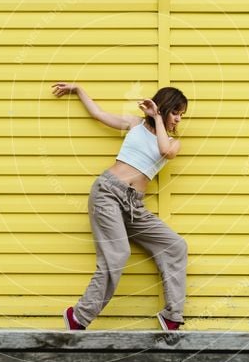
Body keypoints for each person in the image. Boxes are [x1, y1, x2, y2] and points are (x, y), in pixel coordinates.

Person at [50, 82, 189, 331]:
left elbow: (166, 151)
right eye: (176, 112)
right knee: (118, 254)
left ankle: (171, 315)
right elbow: (99, 114)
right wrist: (79, 89)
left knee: (176, 246)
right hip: (108, 194)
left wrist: (158, 118)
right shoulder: (135, 125)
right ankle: (79, 316)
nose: (178, 119)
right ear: (165, 107)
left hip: (134, 205)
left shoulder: (172, 142)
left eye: (181, 115)